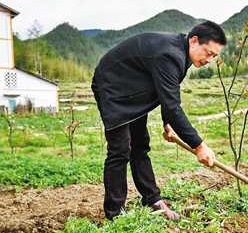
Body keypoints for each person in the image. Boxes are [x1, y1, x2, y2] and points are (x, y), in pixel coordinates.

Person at [91, 21, 225, 220]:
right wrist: (198, 146)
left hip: (133, 89)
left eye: (214, 56)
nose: (209, 60)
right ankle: (115, 214)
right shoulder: (169, 55)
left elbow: (168, 92)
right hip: (112, 88)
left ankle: (152, 200)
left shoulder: (183, 53)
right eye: (208, 53)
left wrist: (167, 123)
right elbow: (172, 106)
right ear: (194, 40)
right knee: (120, 150)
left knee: (140, 146)